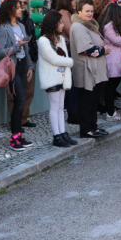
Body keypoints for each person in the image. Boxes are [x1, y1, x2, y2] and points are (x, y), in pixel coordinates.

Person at [0, 0, 35, 151]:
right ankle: (14, 137)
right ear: (9, 10)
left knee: (21, 101)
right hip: (12, 68)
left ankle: (17, 135)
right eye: (17, 7)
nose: (21, 9)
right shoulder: (3, 28)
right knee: (19, 100)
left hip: (23, 66)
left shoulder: (22, 26)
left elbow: (27, 50)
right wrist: (17, 46)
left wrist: (30, 66)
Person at [69, 0, 110, 139]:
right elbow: (87, 49)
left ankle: (93, 127)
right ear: (79, 11)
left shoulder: (90, 25)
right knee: (87, 101)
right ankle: (86, 129)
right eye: (87, 11)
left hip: (95, 69)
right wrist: (103, 50)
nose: (90, 14)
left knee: (94, 101)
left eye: (92, 11)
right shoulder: (78, 27)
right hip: (86, 70)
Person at [37, 11, 76, 148]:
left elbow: (62, 57)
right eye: (60, 22)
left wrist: (66, 62)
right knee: (54, 107)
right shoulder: (43, 40)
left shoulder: (60, 39)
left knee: (60, 107)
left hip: (62, 76)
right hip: (51, 78)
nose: (62, 24)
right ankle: (56, 136)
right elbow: (53, 58)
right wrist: (70, 62)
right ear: (53, 23)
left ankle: (63, 132)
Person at [7, 0, 39, 129]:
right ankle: (15, 121)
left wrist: (33, 58)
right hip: (15, 60)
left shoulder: (27, 20)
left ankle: (23, 119)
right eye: (20, 3)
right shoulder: (7, 24)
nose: (23, 5)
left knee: (28, 91)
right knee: (14, 93)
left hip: (29, 57)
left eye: (25, 3)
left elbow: (30, 40)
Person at [99, 3, 121, 121]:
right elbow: (118, 41)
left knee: (111, 87)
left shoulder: (111, 26)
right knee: (110, 88)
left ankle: (111, 110)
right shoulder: (108, 27)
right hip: (113, 61)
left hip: (117, 60)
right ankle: (110, 113)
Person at [55, 0, 79, 123]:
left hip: (69, 50)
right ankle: (73, 113)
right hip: (67, 51)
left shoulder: (67, 13)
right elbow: (72, 31)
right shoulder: (63, 13)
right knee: (71, 84)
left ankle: (74, 112)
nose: (76, 1)